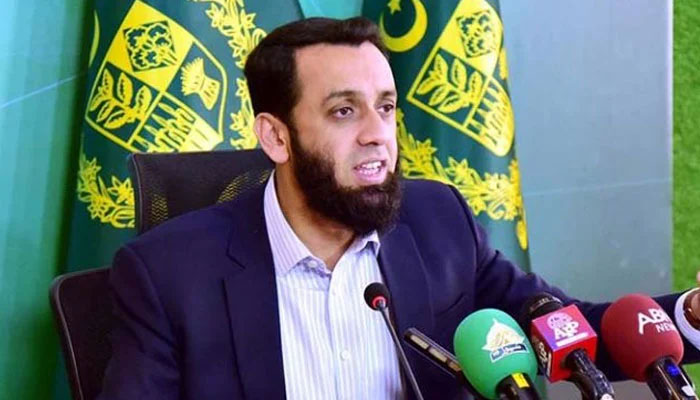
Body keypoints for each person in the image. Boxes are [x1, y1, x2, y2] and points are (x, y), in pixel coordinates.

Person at [98, 17, 700, 400]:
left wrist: (692, 315)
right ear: (276, 137)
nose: (377, 135)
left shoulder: (436, 222)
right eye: (344, 111)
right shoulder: (169, 275)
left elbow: (567, 333)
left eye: (384, 107)